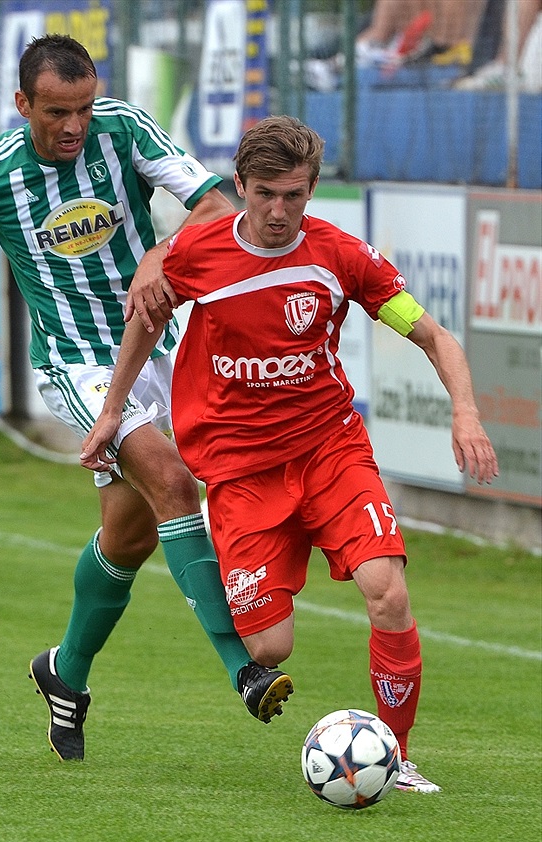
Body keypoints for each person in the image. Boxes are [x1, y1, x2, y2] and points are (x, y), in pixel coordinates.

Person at [0, 35, 293, 763]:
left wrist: (159, 253)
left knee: (130, 536)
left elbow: (216, 208)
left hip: (157, 348)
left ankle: (64, 672)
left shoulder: (125, 129)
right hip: (76, 366)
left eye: (84, 108)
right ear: (22, 103)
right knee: (172, 482)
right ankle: (242, 668)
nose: (74, 126)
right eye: (57, 111)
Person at [81, 115, 500, 794]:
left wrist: (466, 412)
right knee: (270, 647)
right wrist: (111, 413)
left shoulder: (342, 256)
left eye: (294, 196)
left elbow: (433, 335)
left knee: (387, 592)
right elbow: (145, 323)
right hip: (241, 471)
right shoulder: (199, 254)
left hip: (330, 450)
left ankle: (396, 758)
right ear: (240, 185)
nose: (279, 211)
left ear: (312, 189)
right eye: (266, 194)